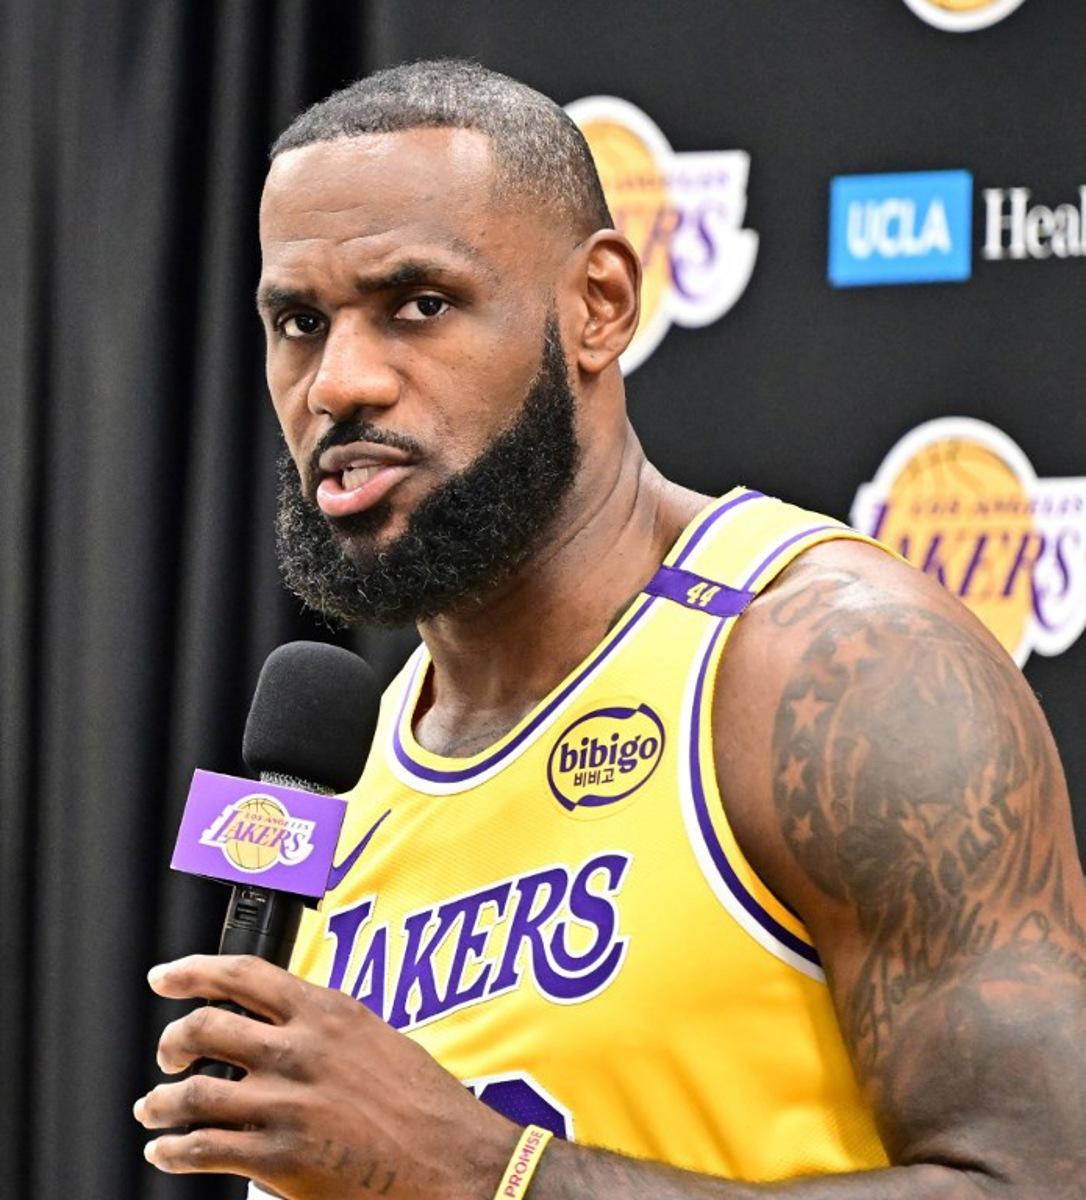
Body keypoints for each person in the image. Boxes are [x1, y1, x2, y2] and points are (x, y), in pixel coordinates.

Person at [135, 60, 1086, 1200]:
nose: (341, 383)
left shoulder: (830, 665)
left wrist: (485, 1173)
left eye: (418, 305)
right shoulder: (342, 762)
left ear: (598, 306)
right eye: (298, 322)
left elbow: (1039, 1180)